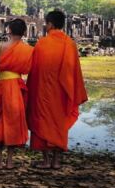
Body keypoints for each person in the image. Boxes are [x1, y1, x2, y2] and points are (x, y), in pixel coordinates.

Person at [26, 10, 88, 169]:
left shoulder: (42, 43)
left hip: (43, 91)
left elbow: (35, 70)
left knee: (42, 122)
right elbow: (74, 71)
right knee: (59, 124)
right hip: (62, 92)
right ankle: (56, 161)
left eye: (46, 23)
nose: (45, 26)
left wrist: (30, 90)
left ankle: (46, 161)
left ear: (51, 24)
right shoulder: (70, 43)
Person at [0, 19, 34, 169]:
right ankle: (10, 161)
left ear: (9, 30)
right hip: (16, 86)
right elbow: (29, 70)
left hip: (1, 85)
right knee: (13, 120)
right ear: (25, 32)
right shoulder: (29, 50)